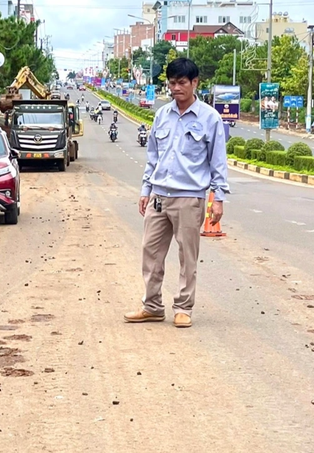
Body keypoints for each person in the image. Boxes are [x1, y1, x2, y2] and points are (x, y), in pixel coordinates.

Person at [124, 58, 229, 328]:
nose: (176, 88)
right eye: (172, 83)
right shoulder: (162, 115)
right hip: (158, 196)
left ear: (195, 83)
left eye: (182, 82)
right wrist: (145, 189)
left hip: (189, 198)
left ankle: (183, 307)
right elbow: (153, 157)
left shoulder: (210, 118)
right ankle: (152, 306)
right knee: (151, 252)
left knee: (187, 256)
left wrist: (218, 199)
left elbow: (218, 162)